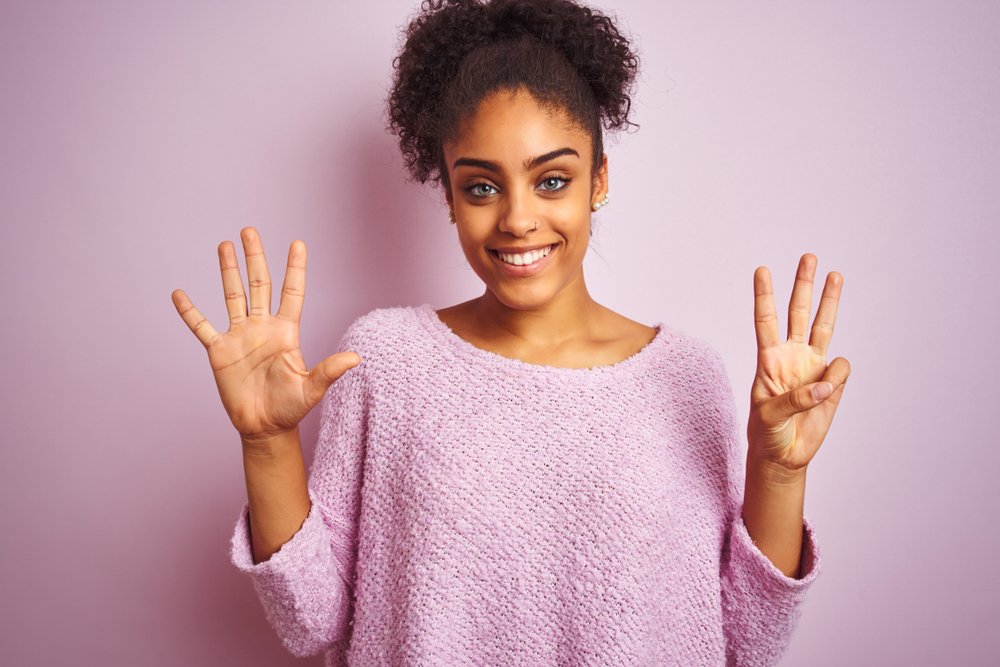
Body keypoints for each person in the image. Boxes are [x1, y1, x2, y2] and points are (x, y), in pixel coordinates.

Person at [171, 0, 851, 664]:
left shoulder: (687, 376)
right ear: (448, 197)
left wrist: (778, 470)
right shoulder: (385, 361)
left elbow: (749, 641)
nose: (518, 220)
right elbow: (308, 618)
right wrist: (266, 443)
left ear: (599, 180)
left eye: (552, 179)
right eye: (482, 188)